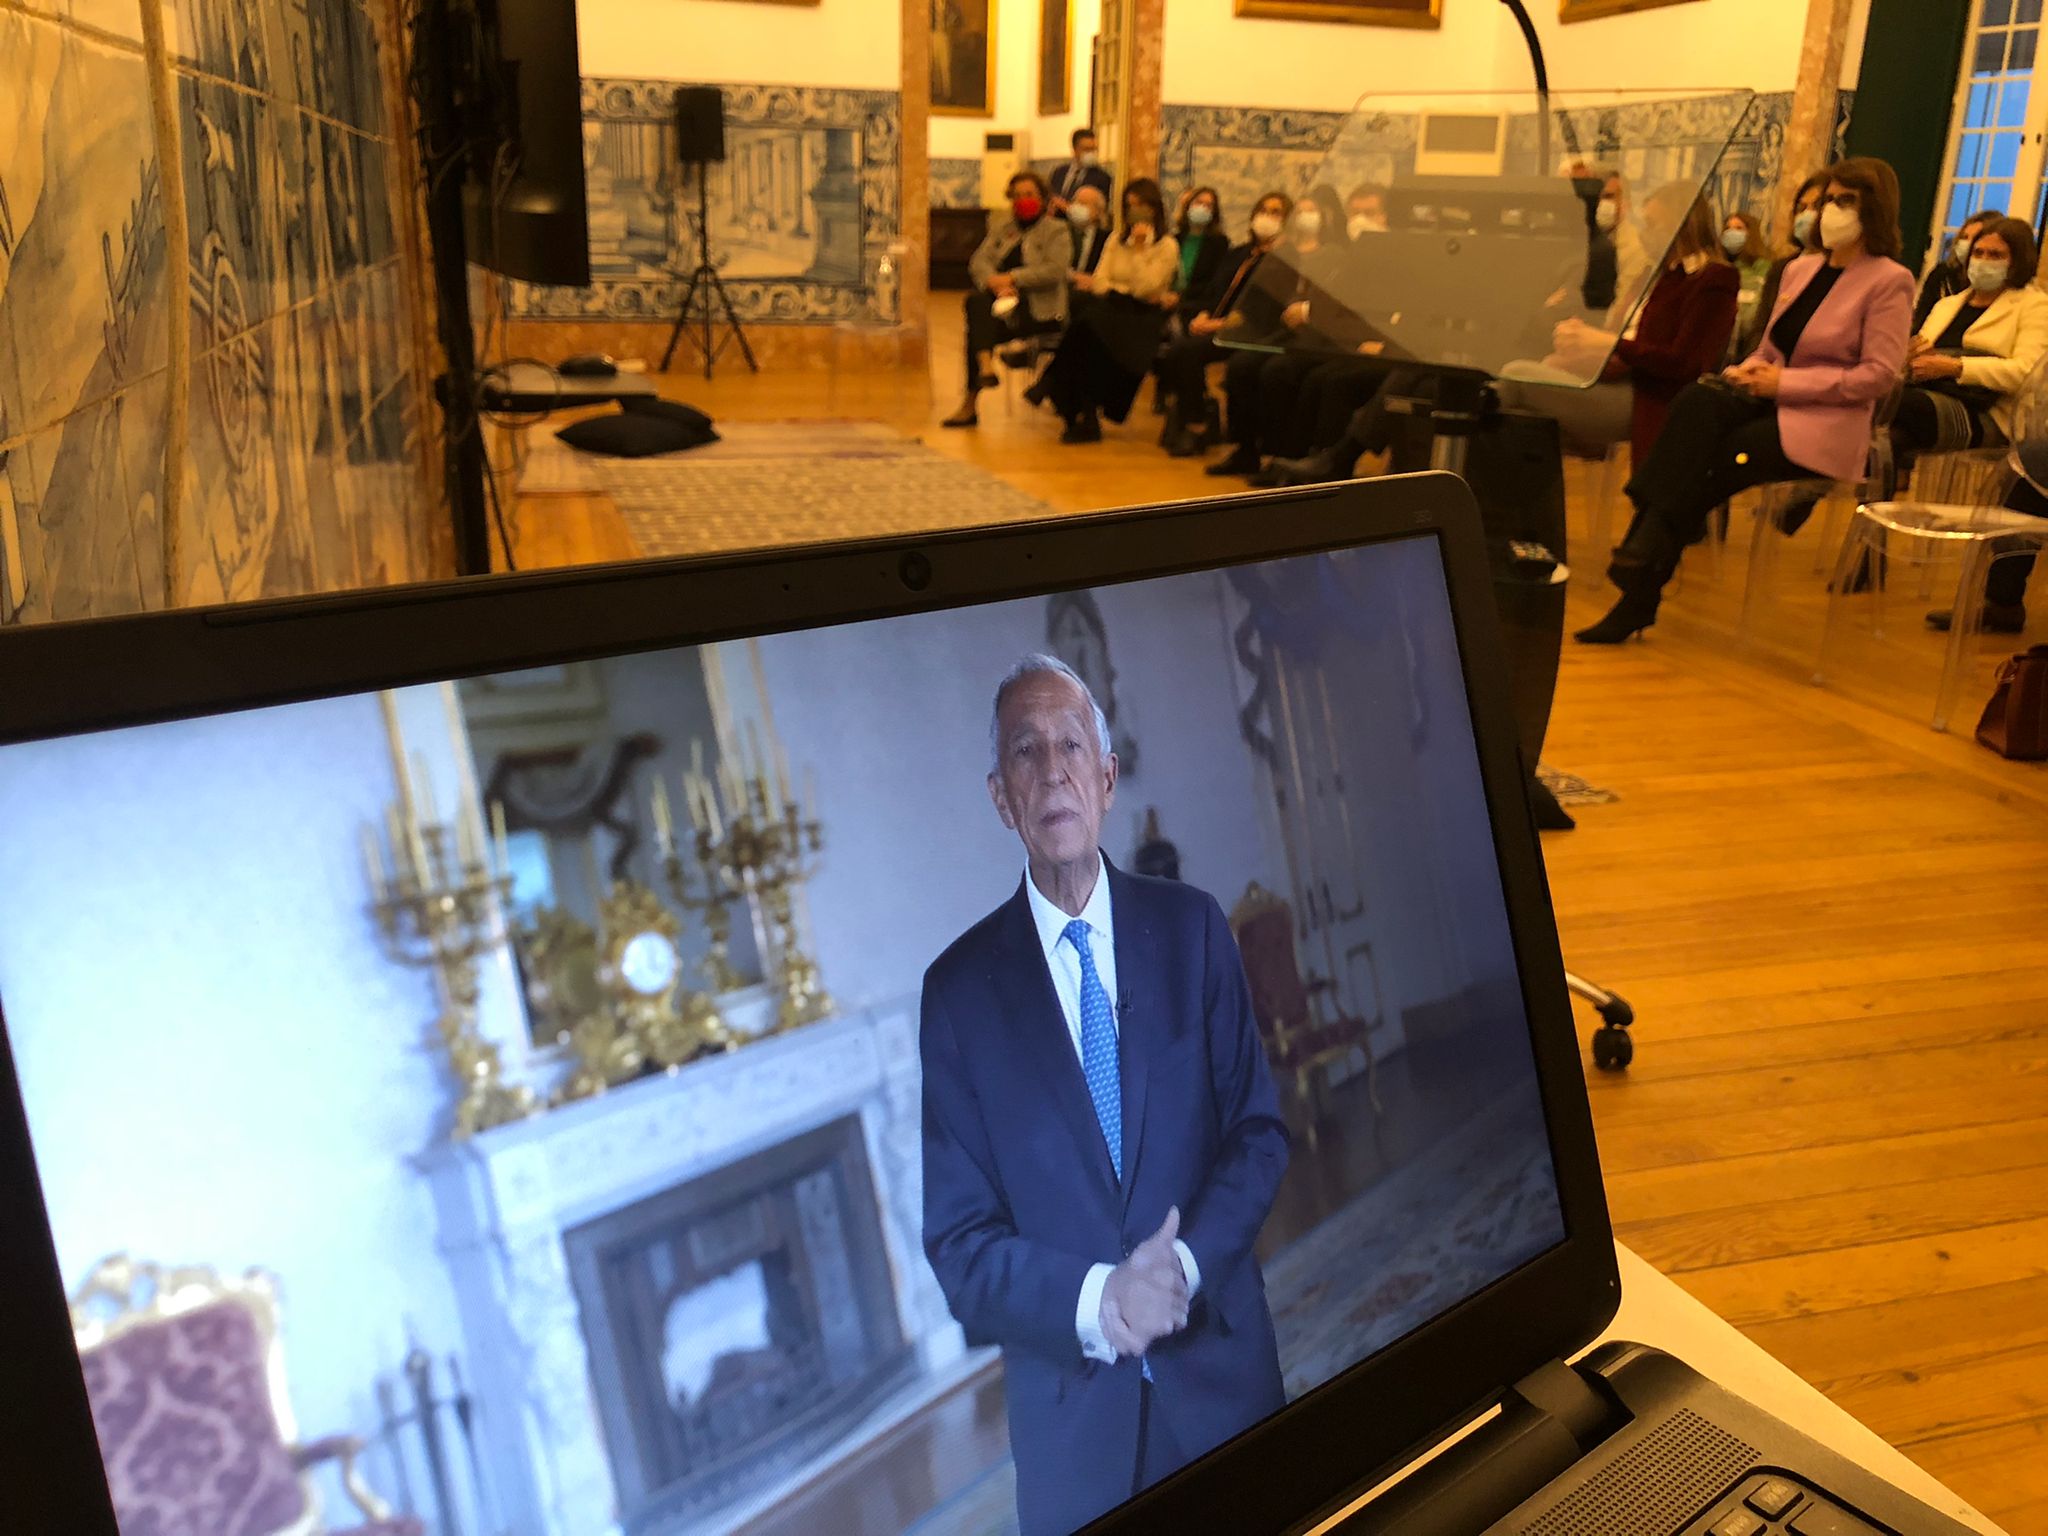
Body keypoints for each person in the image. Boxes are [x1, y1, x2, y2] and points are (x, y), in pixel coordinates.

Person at [920, 655, 1289, 1536]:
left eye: (1072, 746)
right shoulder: (959, 994)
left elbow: (1258, 1135)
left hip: (1226, 1382)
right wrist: (1102, 1302)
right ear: (1001, 797)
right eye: (1026, 751)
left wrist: (1180, 1270)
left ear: (1108, 778)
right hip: (1075, 1434)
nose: (1053, 771)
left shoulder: (1193, 927)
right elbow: (962, 1249)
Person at [1575, 157, 1916, 645]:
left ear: (1874, 211)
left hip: (1823, 420)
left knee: (1707, 466)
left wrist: (1785, 384)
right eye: (1827, 200)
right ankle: (1640, 567)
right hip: (1768, 397)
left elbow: (1878, 375)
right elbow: (1771, 347)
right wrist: (1749, 369)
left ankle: (1639, 574)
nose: (1830, 211)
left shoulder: (1889, 280)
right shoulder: (1800, 269)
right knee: (1699, 399)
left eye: (1846, 201)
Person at [1498, 184, 1740, 467]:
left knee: (1515, 376)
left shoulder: (1713, 278)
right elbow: (1629, 336)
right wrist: (1587, 340)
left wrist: (1610, 345)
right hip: (1621, 381)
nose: (1644, 233)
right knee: (1518, 415)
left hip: (1649, 399)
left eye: (1652, 224)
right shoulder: (1663, 274)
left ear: (1679, 225)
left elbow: (1685, 364)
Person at [1904, 218, 2048, 635]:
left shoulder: (2034, 306)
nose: (1982, 261)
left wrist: (1955, 366)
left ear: (2018, 261)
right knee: (1890, 426)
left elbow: (2027, 372)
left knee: (1893, 410)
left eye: (1995, 254)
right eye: (1978, 252)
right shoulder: (1948, 304)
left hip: (1992, 412)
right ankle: (1865, 557)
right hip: (1932, 399)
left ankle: (2001, 601)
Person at [1209, 185, 1346, 479]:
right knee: (1241, 366)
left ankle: (1281, 453)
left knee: (1277, 372)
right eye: (1302, 211)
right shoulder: (1286, 252)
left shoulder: (1337, 254)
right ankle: (1245, 448)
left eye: (1312, 211)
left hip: (1320, 335)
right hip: (1282, 330)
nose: (1305, 217)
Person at [1040, 179, 1182, 442]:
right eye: (1130, 206)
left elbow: (1147, 288)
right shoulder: (1116, 239)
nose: (1135, 212)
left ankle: (1052, 386)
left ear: (1154, 209)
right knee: (1086, 329)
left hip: (1143, 315)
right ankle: (1081, 412)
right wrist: (1122, 289)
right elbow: (1100, 281)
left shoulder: (1167, 245)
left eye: (1141, 205)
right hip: (1113, 306)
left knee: (1086, 327)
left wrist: (1140, 249)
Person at [1155, 191, 1292, 458]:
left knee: (1193, 352)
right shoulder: (1239, 253)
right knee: (1179, 350)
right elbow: (1215, 290)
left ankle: (1203, 428)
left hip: (1251, 332)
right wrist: (1204, 315)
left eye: (1275, 212)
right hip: (1218, 324)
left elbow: (1260, 310)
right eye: (1263, 210)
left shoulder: (1282, 260)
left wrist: (1218, 324)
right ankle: (1196, 419)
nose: (1266, 217)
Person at [945, 171, 1070, 429]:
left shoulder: (1057, 230)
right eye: (1017, 196)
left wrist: (1012, 278)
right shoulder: (1004, 229)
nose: (1023, 200)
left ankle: (973, 394)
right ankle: (985, 368)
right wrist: (994, 282)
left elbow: (1054, 270)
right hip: (1003, 305)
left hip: (1040, 311)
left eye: (1029, 195)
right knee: (976, 304)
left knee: (978, 330)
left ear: (1042, 198)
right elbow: (979, 261)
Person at [1739, 170, 1829, 358]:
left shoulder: (1838, 268)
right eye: (1801, 208)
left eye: (1816, 206)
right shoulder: (1782, 267)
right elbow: (1761, 327)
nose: (1807, 215)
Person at [1914, 206, 2005, 331]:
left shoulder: (1994, 284)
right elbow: (1920, 321)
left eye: (1975, 238)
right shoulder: (1942, 274)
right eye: (1965, 237)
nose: (1968, 243)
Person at [1720, 211, 1773, 341]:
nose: (1732, 233)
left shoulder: (1764, 266)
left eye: (1739, 228)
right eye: (1728, 228)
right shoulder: (1719, 267)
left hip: (1749, 337)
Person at [1049, 128, 1114, 214]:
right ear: (1075, 149)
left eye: (1094, 149)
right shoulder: (1059, 172)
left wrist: (1066, 207)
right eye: (1086, 150)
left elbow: (1099, 211)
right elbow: (1050, 195)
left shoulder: (1102, 177)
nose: (1091, 154)